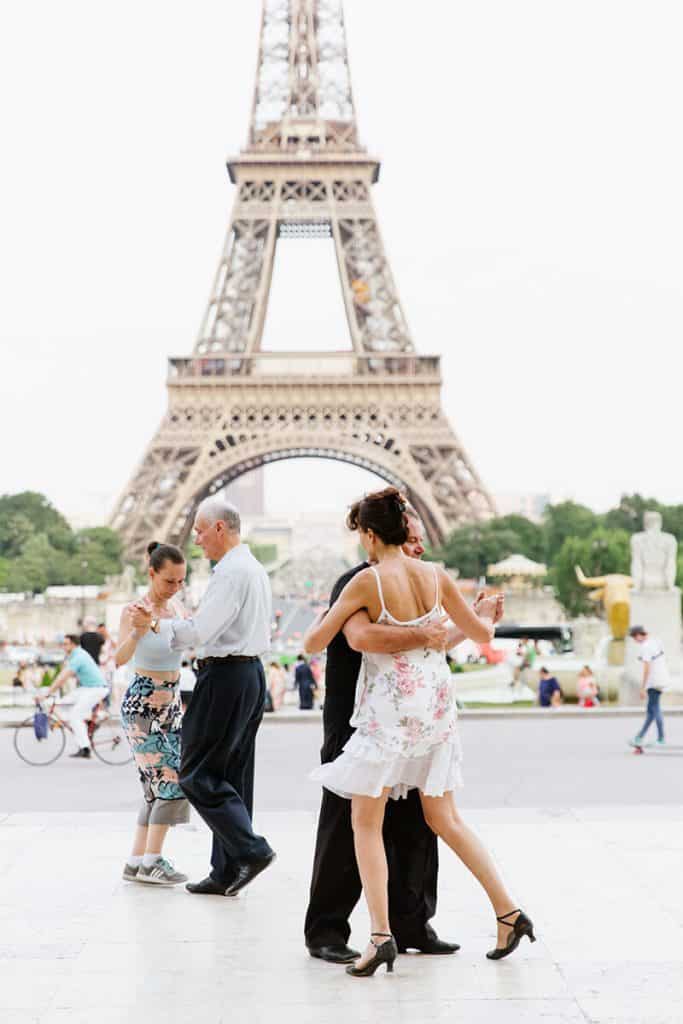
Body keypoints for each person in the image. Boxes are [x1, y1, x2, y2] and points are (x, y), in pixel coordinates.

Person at [305, 488, 532, 977]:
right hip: (436, 711)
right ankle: (508, 913)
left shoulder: (366, 582)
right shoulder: (435, 576)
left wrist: (338, 614)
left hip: (389, 714)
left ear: (369, 534)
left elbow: (317, 640)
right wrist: (480, 616)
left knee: (363, 823)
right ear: (403, 529)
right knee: (444, 818)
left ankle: (382, 936)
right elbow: (479, 635)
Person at [131, 497, 275, 898]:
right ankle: (226, 868)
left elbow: (200, 632)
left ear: (219, 529)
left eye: (199, 530)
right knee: (233, 774)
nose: (195, 540)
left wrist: (156, 623)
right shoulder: (253, 568)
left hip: (226, 676)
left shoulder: (231, 573)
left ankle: (251, 850)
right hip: (250, 675)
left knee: (194, 773)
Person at [117, 542, 190, 886]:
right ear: (151, 574)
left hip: (171, 704)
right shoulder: (134, 609)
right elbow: (118, 658)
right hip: (143, 705)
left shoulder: (176, 608)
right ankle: (152, 861)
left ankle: (136, 861)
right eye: (169, 581)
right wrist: (138, 631)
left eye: (180, 581)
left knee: (154, 788)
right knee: (171, 784)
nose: (175, 588)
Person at [43, 635, 110, 758]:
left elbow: (63, 677)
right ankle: (88, 722)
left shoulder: (78, 657)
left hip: (96, 688)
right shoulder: (75, 655)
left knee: (75, 715)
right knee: (64, 702)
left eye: (66, 644)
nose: (63, 646)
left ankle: (86, 748)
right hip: (87, 688)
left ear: (73, 644)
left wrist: (48, 693)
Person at [628, 625, 669, 748]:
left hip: (654, 681)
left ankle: (661, 738)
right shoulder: (655, 641)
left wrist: (643, 687)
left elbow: (647, 668)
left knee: (654, 709)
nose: (635, 640)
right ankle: (639, 736)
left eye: (634, 637)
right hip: (662, 678)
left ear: (639, 635)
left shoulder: (646, 647)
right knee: (651, 711)